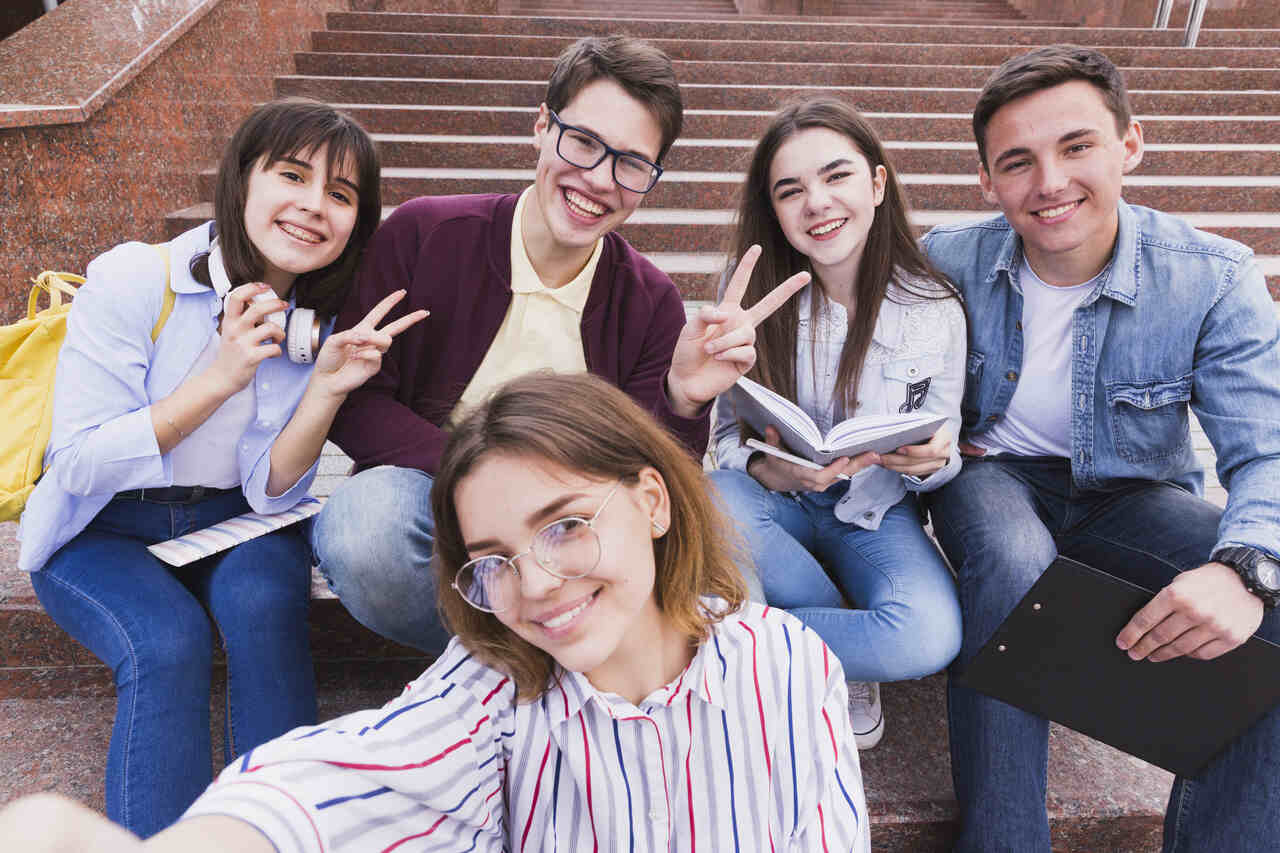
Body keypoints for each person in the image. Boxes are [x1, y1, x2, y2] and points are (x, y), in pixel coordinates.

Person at [0, 371, 872, 853]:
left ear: (651, 500)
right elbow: (354, 776)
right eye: (491, 560)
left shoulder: (789, 664)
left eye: (564, 524)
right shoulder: (499, 687)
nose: (534, 586)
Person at [15, 98, 427, 838]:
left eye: (339, 194)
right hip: (98, 527)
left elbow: (275, 492)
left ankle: (282, 832)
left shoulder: (320, 322)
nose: (311, 206)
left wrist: (327, 388)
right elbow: (74, 465)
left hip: (230, 520)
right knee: (166, 638)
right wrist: (218, 376)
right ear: (242, 179)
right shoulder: (137, 279)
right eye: (292, 176)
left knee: (265, 605)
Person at [310, 34, 803, 652]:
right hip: (435, 496)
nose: (598, 180)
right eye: (584, 143)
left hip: (575, 528)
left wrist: (682, 399)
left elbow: (650, 473)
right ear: (542, 126)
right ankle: (502, 667)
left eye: (630, 163)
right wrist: (482, 480)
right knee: (365, 526)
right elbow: (357, 402)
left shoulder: (648, 301)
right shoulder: (427, 234)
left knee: (723, 572)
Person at [920, 45, 1280, 852]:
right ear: (986, 181)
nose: (1049, 182)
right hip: (994, 475)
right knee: (1015, 566)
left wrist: (1246, 564)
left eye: (1076, 146)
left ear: (1130, 144)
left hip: (1129, 495)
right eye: (1018, 161)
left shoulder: (1213, 276)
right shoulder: (949, 258)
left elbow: (1267, 451)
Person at [708, 97, 965, 750]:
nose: (816, 202)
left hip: (876, 514)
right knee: (716, 500)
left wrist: (933, 460)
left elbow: (948, 440)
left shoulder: (935, 306)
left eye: (836, 176)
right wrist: (765, 466)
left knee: (928, 632)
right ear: (775, 212)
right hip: (777, 509)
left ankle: (754, 645)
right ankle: (842, 647)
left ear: (877, 183)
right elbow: (721, 441)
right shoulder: (754, 299)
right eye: (791, 190)